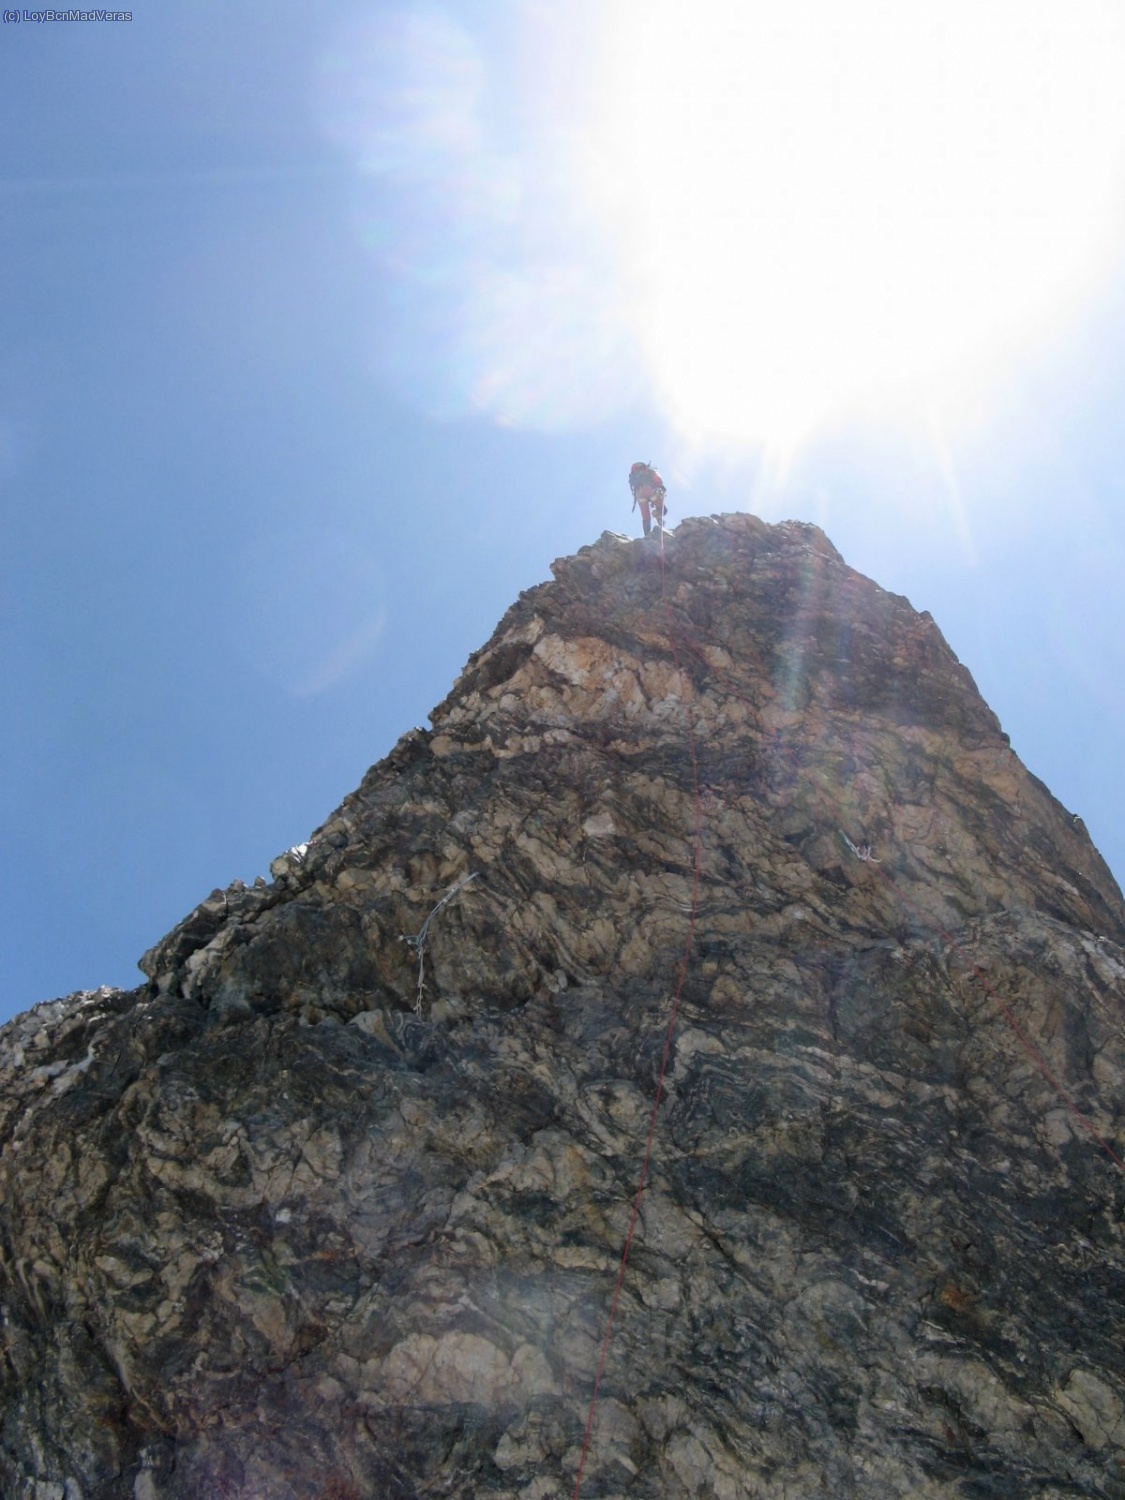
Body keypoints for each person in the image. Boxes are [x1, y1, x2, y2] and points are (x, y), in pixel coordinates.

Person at [628, 461, 667, 537]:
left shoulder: (634, 475)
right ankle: (660, 522)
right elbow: (657, 479)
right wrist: (661, 486)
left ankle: (647, 535)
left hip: (640, 495)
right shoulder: (650, 471)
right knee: (662, 509)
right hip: (651, 491)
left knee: (646, 517)